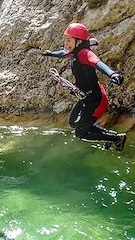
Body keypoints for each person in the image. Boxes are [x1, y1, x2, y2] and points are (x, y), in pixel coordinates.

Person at [43, 23, 127, 151]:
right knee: (73, 123)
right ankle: (111, 135)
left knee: (80, 133)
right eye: (65, 39)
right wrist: (51, 53)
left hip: (95, 101)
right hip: (86, 98)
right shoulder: (74, 52)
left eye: (69, 40)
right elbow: (63, 53)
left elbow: (97, 62)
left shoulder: (84, 53)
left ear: (79, 41)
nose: (66, 43)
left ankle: (116, 139)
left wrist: (112, 74)